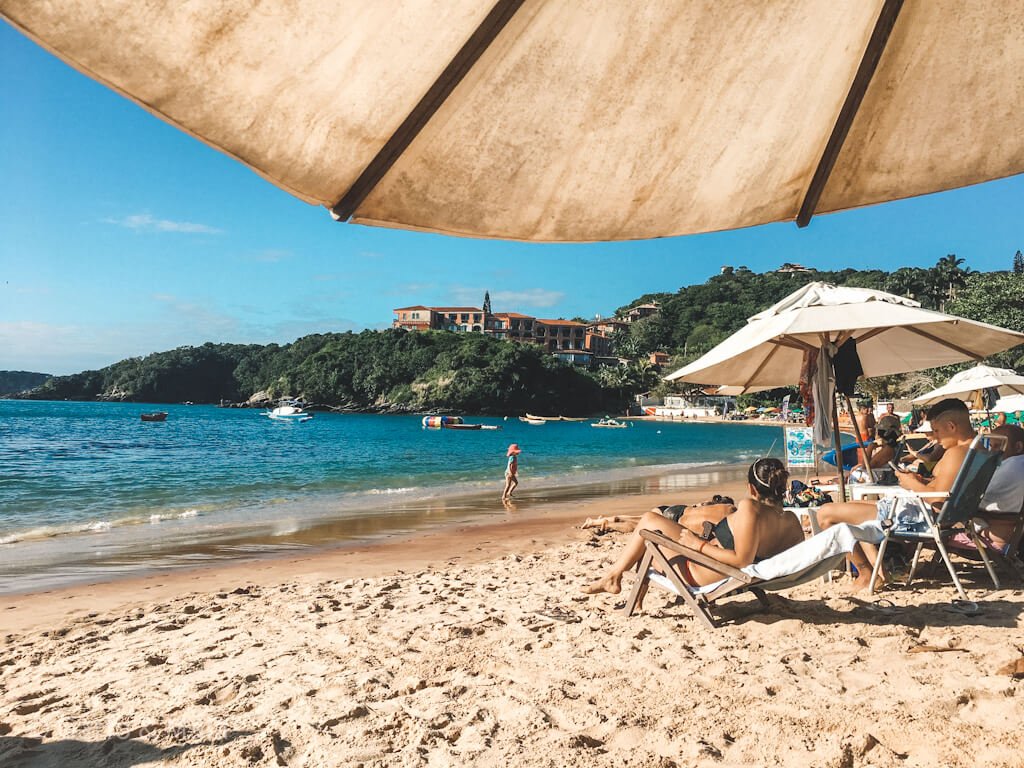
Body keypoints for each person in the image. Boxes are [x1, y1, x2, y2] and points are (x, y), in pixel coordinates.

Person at [817, 398, 978, 590]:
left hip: (919, 516)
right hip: (928, 512)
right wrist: (921, 481)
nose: (934, 437)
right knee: (846, 510)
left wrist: (911, 483)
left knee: (826, 514)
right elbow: (948, 490)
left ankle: (867, 574)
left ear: (951, 426)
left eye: (936, 431)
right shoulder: (977, 449)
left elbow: (938, 499)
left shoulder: (956, 453)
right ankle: (879, 571)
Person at [581, 459, 804, 596]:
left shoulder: (750, 508)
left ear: (751, 489)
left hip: (706, 572)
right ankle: (618, 581)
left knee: (649, 527)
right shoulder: (792, 521)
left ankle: (614, 577)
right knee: (651, 527)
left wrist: (698, 545)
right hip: (738, 573)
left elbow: (741, 560)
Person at [581, 496, 736, 534]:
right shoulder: (724, 519)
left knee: (638, 519)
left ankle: (599, 521)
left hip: (675, 509)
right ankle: (604, 523)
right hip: (673, 519)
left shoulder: (708, 505)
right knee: (636, 526)